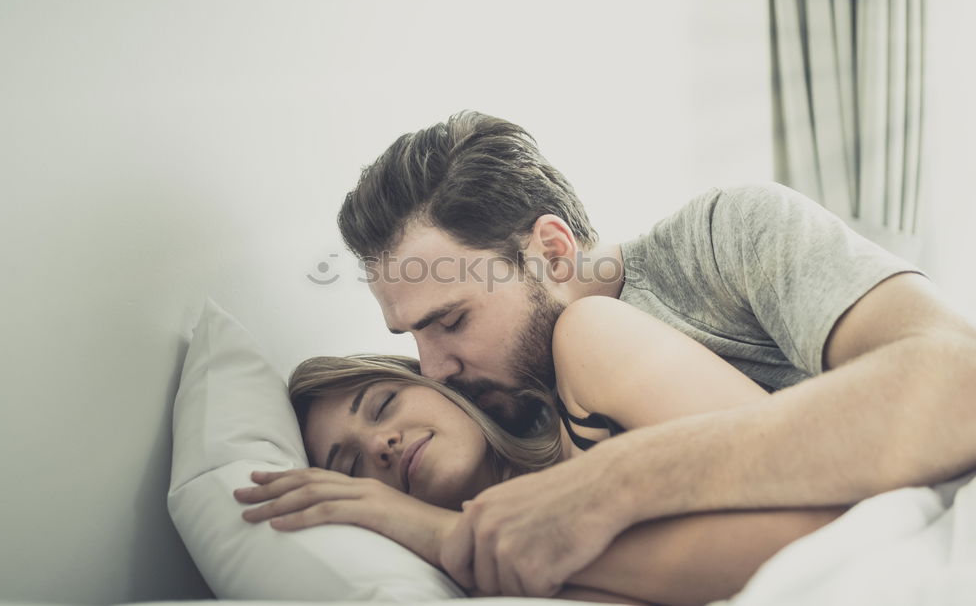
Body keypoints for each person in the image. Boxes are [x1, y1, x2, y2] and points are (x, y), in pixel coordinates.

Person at [257, 111, 976, 597]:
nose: (435, 365)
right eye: (414, 339)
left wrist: (612, 486)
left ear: (552, 251)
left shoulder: (725, 240)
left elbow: (960, 381)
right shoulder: (507, 428)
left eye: (451, 320)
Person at [235, 296, 846, 605]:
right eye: (351, 465)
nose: (381, 445)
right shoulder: (500, 589)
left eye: (384, 404)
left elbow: (820, 530)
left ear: (438, 386)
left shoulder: (589, 357)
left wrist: (447, 532)